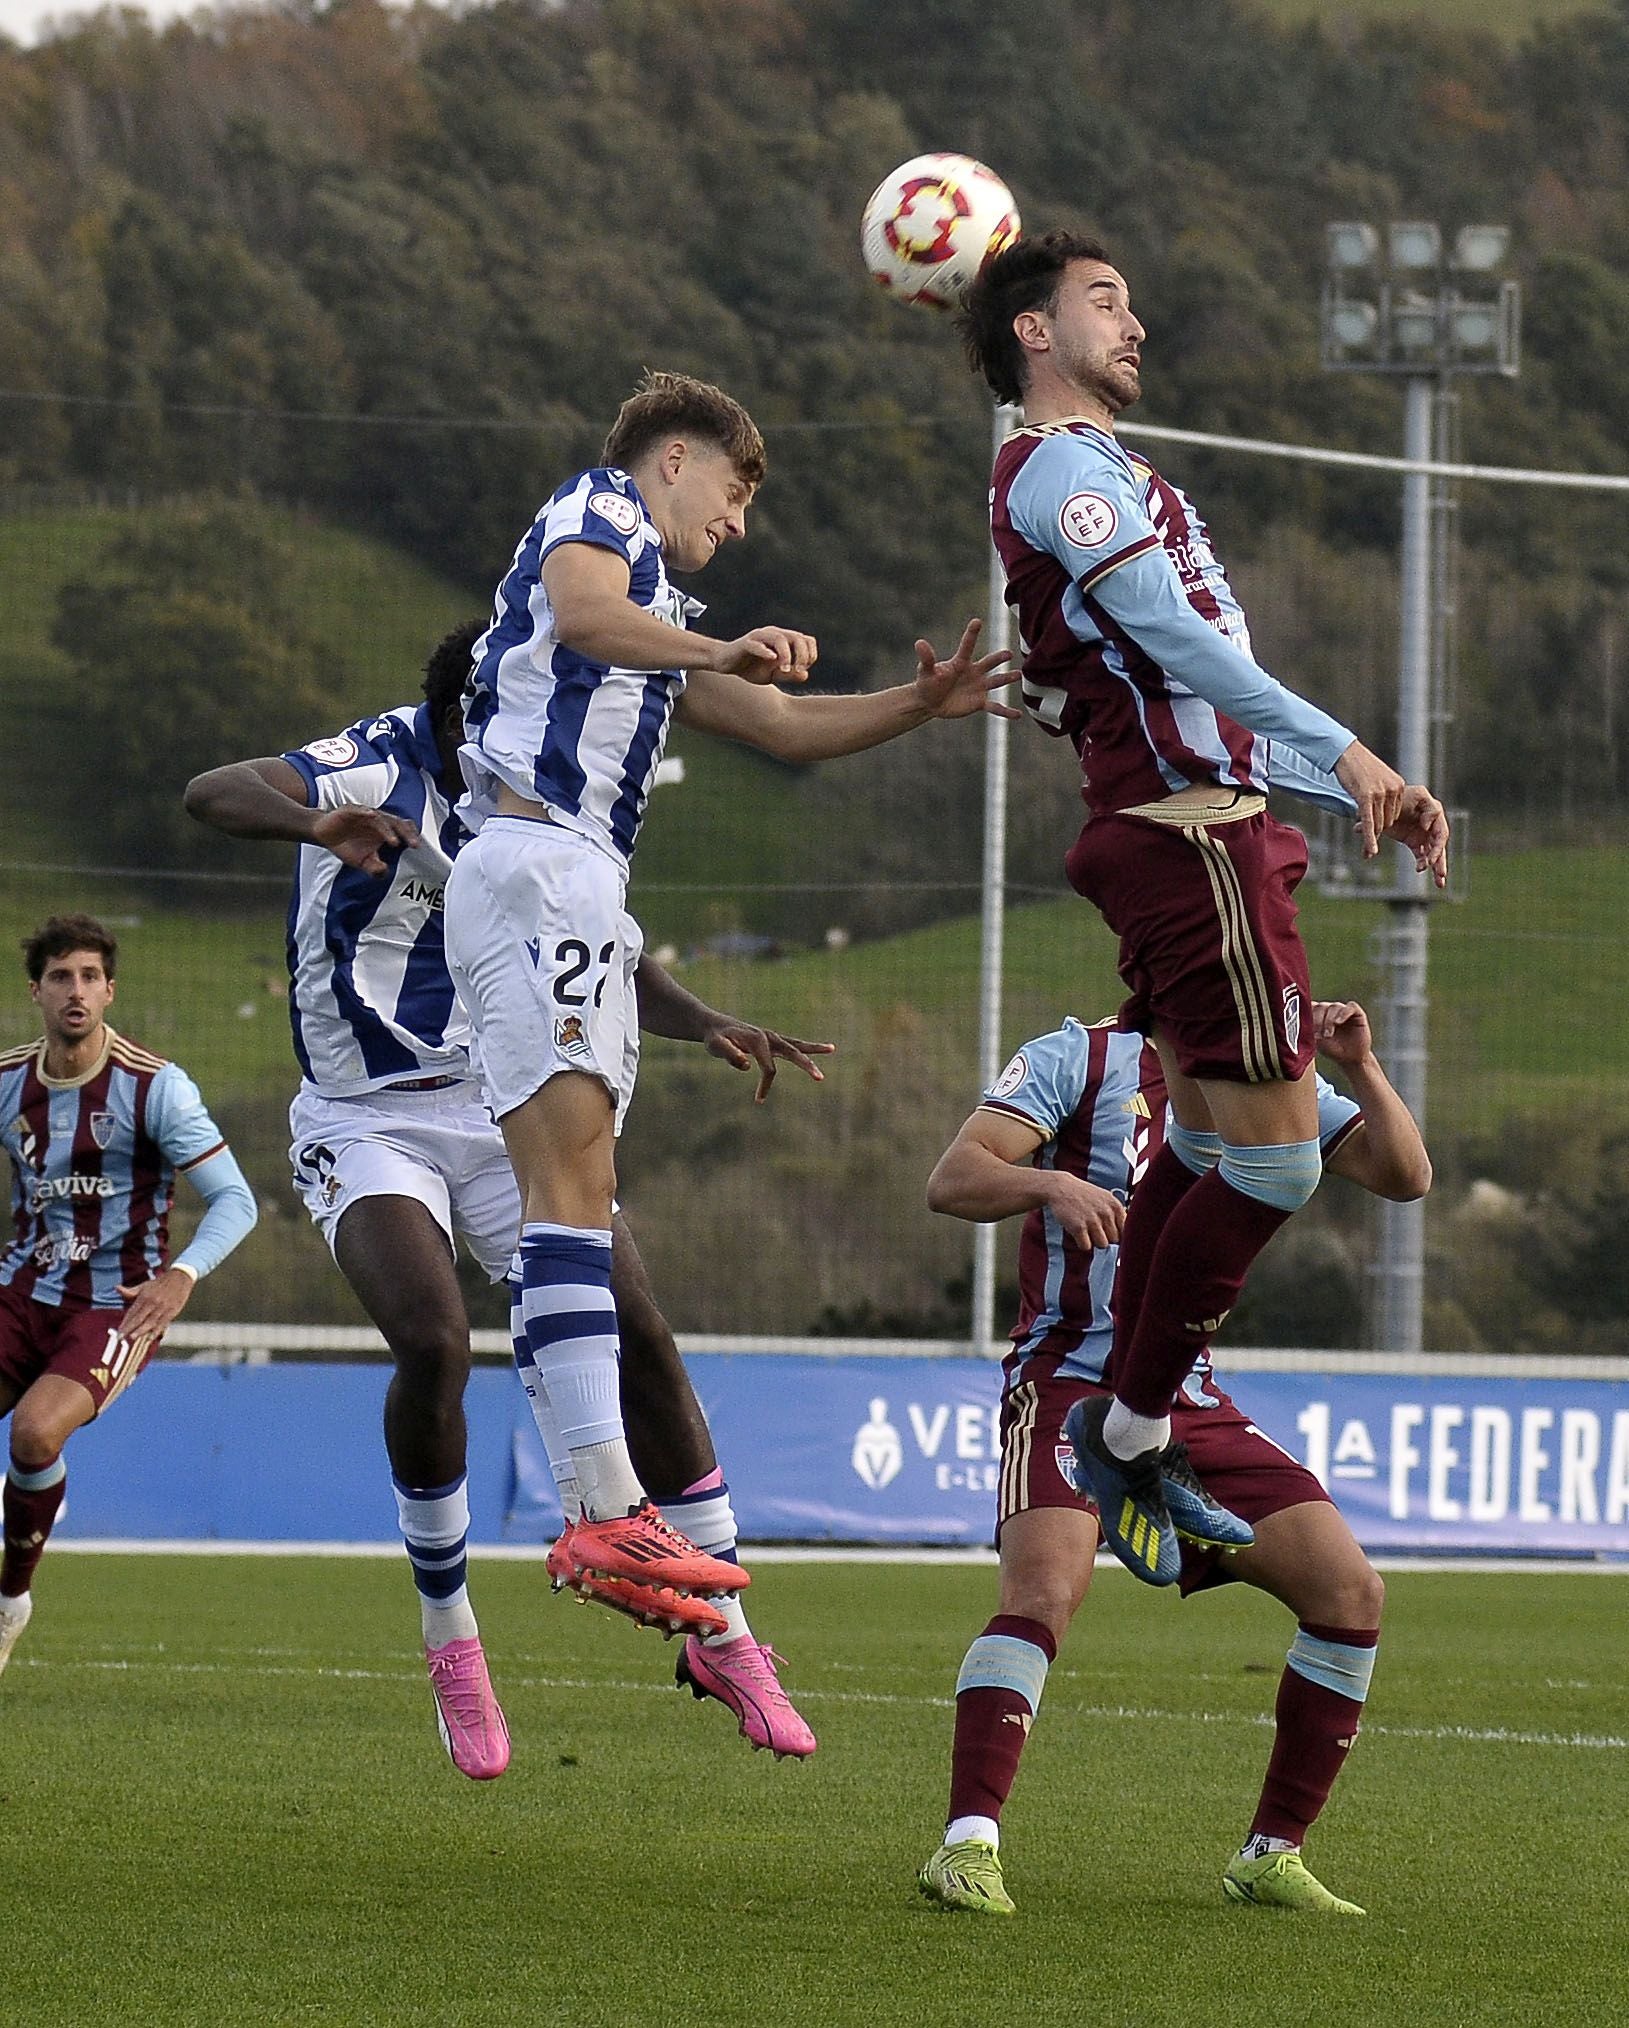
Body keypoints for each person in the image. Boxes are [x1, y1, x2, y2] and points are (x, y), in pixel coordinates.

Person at [185, 623, 834, 1771]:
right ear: (462, 714)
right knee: (434, 1342)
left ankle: (727, 1635)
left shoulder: (534, 803)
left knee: (642, 1332)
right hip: (365, 1116)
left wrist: (711, 1022)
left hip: (495, 1107)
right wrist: (309, 820)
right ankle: (453, 1640)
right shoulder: (379, 760)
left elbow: (606, 952)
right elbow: (214, 789)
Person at [445, 368, 1016, 1612]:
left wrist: (918, 705)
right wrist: (718, 637)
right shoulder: (596, 514)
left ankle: (609, 1510)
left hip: (560, 872)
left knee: (580, 1193)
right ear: (672, 460)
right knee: (567, 1188)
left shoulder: (652, 605)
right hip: (542, 862)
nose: (739, 518)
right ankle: (603, 1510)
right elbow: (589, 614)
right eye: (735, 486)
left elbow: (783, 725)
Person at [957, 232, 1450, 1584]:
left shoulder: (1116, 476)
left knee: (1216, 1143)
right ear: (1030, 335)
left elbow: (1204, 685)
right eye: (1102, 301)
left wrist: (1351, 779)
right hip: (1191, 848)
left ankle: (1130, 1409)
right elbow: (1177, 645)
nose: (1134, 322)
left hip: (1210, 829)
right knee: (1282, 1161)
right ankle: (1129, 1425)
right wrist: (1344, 748)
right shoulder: (1062, 469)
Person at [917, 998, 1430, 1918]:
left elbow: (1405, 1175)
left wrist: (1356, 1065)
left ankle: (1269, 1855)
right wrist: (1050, 1186)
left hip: (1185, 1398)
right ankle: (965, 1846)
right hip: (1070, 1380)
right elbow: (952, 1180)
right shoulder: (1079, 1057)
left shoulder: (1268, 1082)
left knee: (1349, 1593)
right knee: (1041, 1596)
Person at [0, 915, 258, 1674]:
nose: (75, 991)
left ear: (109, 991)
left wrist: (182, 1277)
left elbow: (235, 1201)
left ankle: (10, 1598)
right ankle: (37, 1498)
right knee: (31, 1450)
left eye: (88, 977)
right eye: (59, 977)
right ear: (37, 992)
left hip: (118, 1303)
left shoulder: (155, 1089)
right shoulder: (10, 1081)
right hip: (21, 1292)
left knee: (35, 1435)